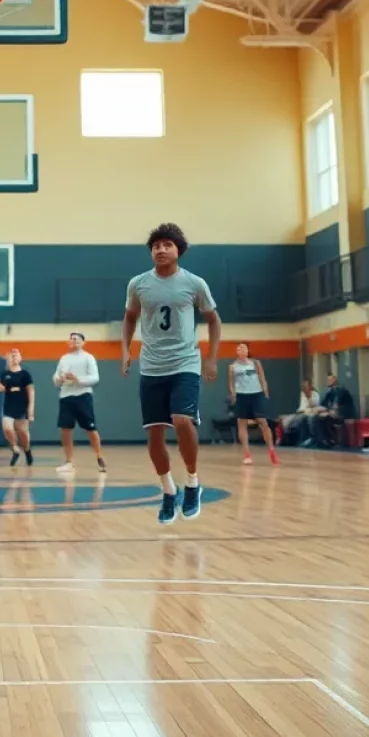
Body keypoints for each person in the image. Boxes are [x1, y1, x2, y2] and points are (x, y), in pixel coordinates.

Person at [122, 223, 221, 525]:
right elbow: (129, 317)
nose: (161, 249)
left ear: (178, 250)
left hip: (185, 363)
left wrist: (212, 358)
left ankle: (192, 482)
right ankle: (168, 490)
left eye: (167, 244)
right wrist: (125, 350)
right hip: (152, 366)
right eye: (156, 246)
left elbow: (214, 320)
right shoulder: (138, 284)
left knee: (182, 421)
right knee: (154, 435)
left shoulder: (194, 283)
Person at [53, 332, 105, 474]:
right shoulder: (64, 359)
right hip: (65, 396)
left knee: (90, 428)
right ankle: (69, 462)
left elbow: (95, 378)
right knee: (65, 429)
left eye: (76, 339)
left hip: (83, 396)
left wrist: (78, 380)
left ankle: (99, 457)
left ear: (83, 342)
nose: (73, 340)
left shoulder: (88, 358)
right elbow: (56, 377)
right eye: (71, 338)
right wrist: (60, 379)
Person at [228, 342, 279, 466]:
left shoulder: (255, 363)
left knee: (263, 422)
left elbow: (262, 378)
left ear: (247, 351)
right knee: (242, 424)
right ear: (237, 351)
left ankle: (271, 451)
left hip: (256, 394)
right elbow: (231, 382)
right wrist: (233, 394)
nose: (241, 349)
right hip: (241, 395)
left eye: (243, 347)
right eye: (239, 348)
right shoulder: (233, 367)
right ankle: (247, 454)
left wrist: (265, 391)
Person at [0, 348, 34, 466]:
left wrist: (31, 410)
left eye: (17, 355)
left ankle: (27, 451)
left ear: (20, 358)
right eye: (12, 355)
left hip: (22, 407)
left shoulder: (25, 374)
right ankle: (15, 449)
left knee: (23, 433)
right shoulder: (5, 374)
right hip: (9, 407)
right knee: (7, 428)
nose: (14, 357)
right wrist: (6, 386)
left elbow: (31, 392)